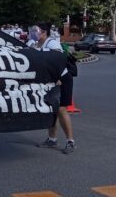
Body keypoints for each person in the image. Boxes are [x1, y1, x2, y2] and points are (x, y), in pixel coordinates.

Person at [32, 22, 76, 155]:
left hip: (61, 79)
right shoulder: (33, 44)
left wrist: (57, 78)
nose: (33, 33)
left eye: (36, 30)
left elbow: (58, 62)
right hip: (49, 80)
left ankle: (70, 141)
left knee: (61, 109)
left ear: (44, 32)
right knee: (52, 109)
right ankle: (52, 139)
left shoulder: (53, 44)